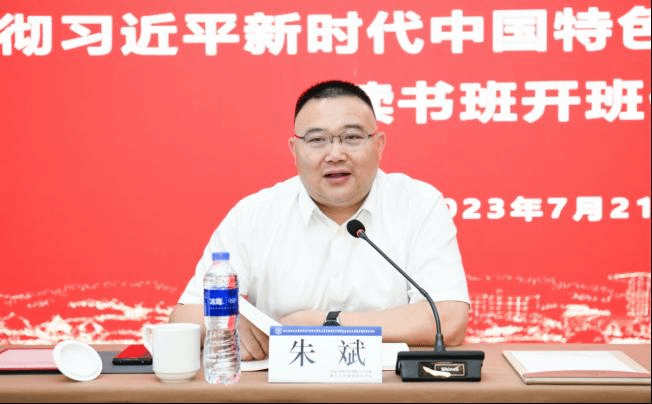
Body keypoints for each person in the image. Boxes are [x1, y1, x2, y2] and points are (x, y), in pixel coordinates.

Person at [169, 80, 470, 361]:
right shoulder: (255, 214)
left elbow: (449, 319)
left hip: (389, 388)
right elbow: (184, 317)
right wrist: (231, 324)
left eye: (352, 138)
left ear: (379, 145)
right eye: (317, 140)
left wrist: (329, 324)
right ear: (294, 150)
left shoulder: (417, 204)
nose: (335, 154)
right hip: (284, 389)